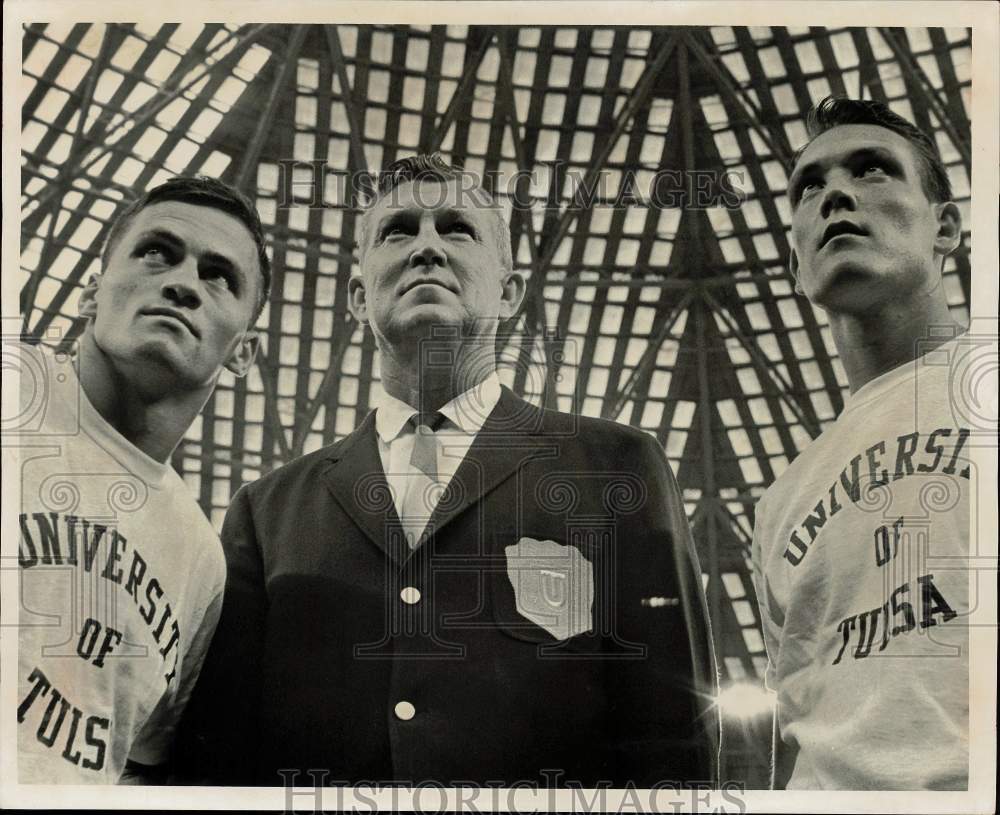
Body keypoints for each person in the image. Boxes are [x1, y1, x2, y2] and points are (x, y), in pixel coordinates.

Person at [178, 154, 719, 787]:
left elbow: (673, 736)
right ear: (358, 295)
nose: (427, 247)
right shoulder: (266, 512)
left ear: (510, 292)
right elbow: (215, 768)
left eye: (457, 229)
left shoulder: (618, 468)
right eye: (398, 230)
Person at [10, 176, 270, 784]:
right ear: (91, 293)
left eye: (219, 275)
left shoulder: (201, 559)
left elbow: (137, 762)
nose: (181, 283)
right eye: (157, 251)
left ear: (243, 353)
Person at [751, 97, 970, 790]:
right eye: (808, 187)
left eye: (872, 171)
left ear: (946, 226)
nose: (835, 193)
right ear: (795, 261)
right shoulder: (779, 500)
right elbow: (791, 718)